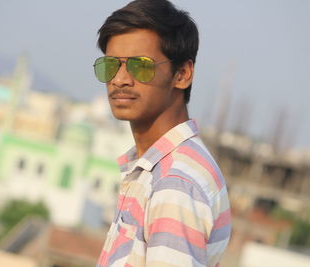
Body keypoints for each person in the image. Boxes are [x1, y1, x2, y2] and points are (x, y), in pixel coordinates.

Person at [93, 0, 231, 266]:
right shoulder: (156, 168)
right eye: (111, 66)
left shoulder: (175, 182)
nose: (120, 79)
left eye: (140, 66)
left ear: (182, 74)